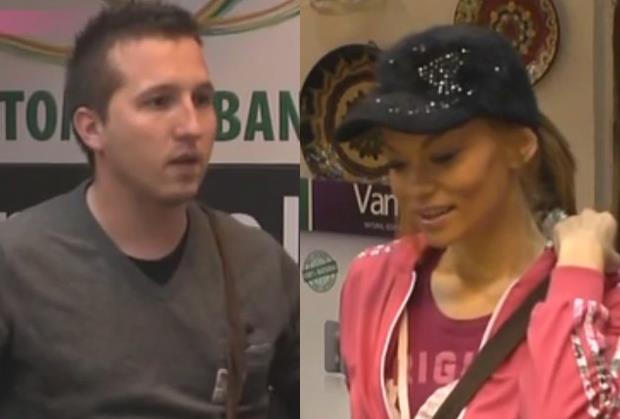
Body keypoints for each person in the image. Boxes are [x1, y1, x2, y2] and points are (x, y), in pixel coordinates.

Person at [0, 3, 299, 419]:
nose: (191, 127)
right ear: (92, 128)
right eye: (159, 102)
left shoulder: (260, 265)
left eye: (202, 100)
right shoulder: (16, 265)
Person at [335, 24, 620, 418]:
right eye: (398, 164)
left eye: (445, 157)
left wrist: (577, 271)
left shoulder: (600, 299)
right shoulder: (372, 281)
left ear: (521, 146)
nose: (417, 186)